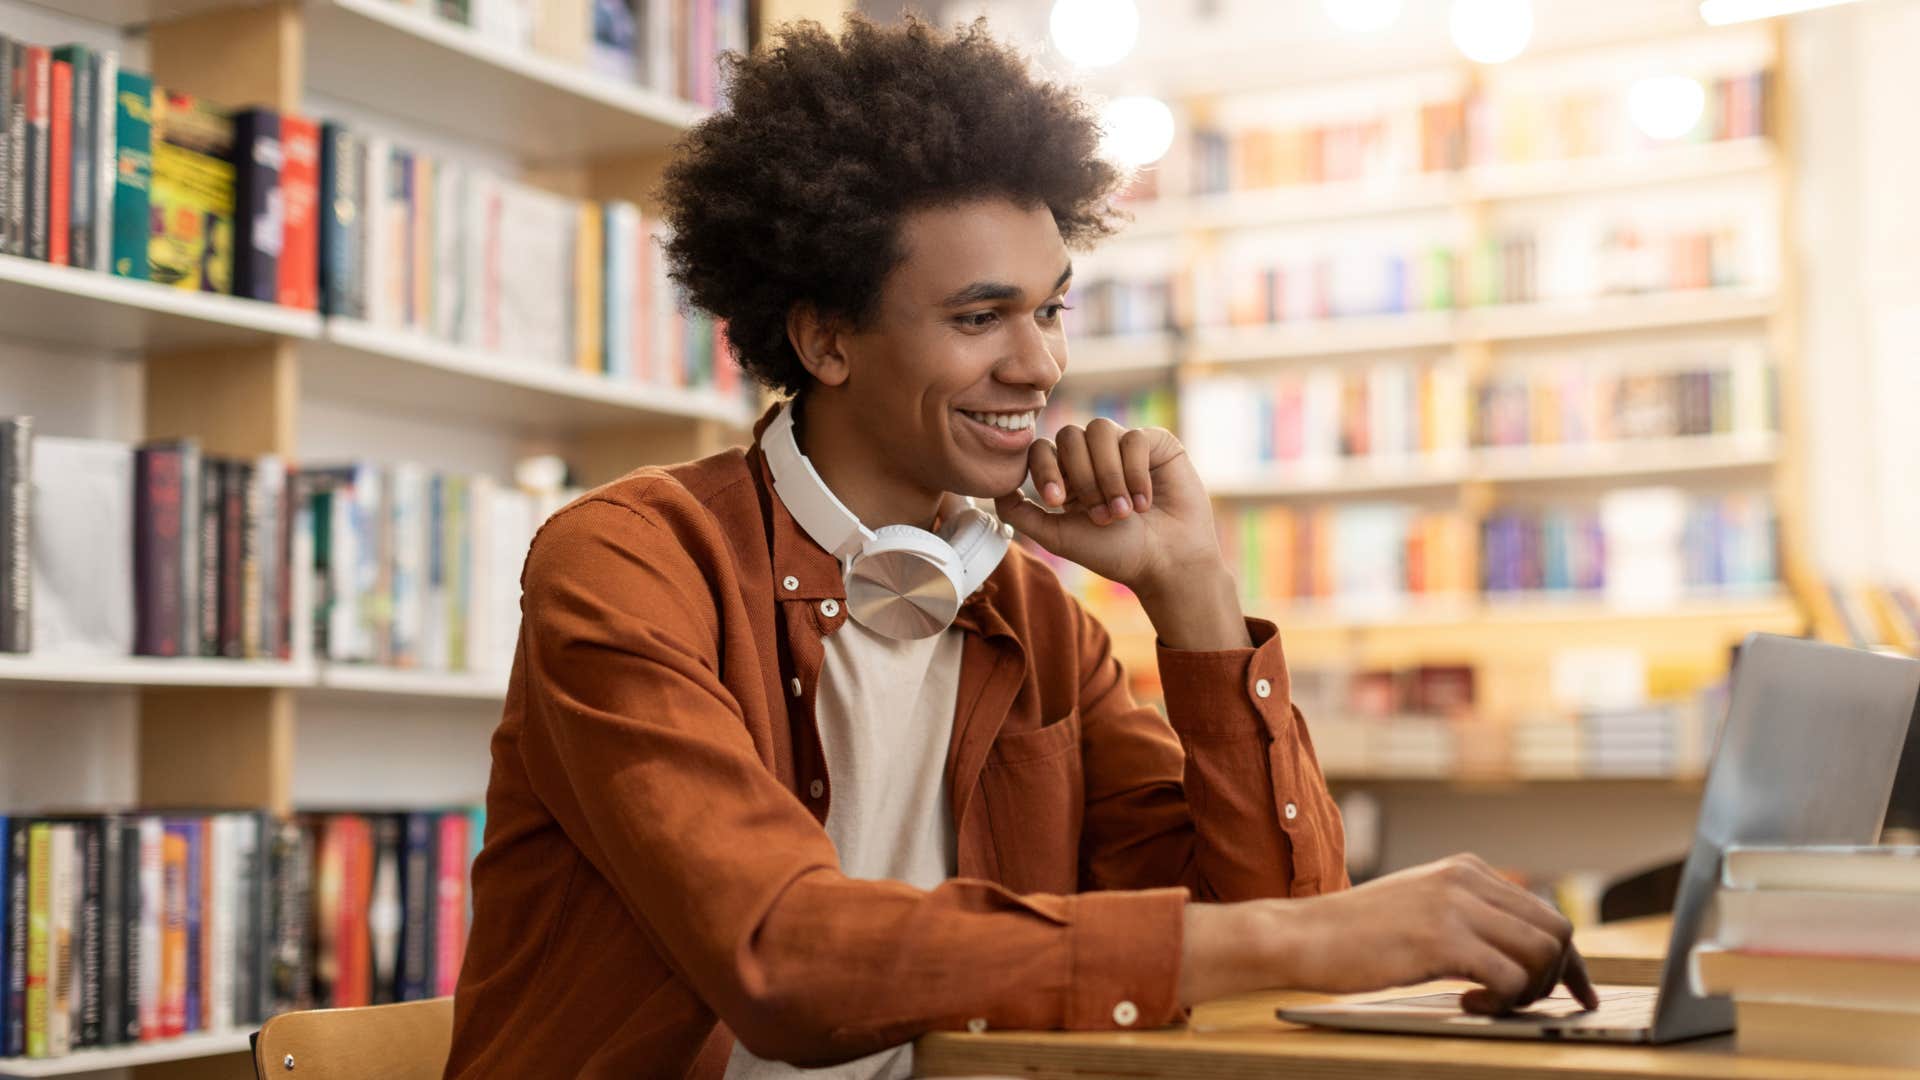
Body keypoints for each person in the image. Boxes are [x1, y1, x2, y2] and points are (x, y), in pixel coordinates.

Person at [442, 13, 1596, 1079]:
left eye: (1051, 311)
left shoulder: (1028, 611)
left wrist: (1194, 597)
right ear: (827, 339)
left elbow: (1271, 932)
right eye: (980, 317)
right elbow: (781, 956)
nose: (1040, 368)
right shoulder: (632, 562)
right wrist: (1304, 934)